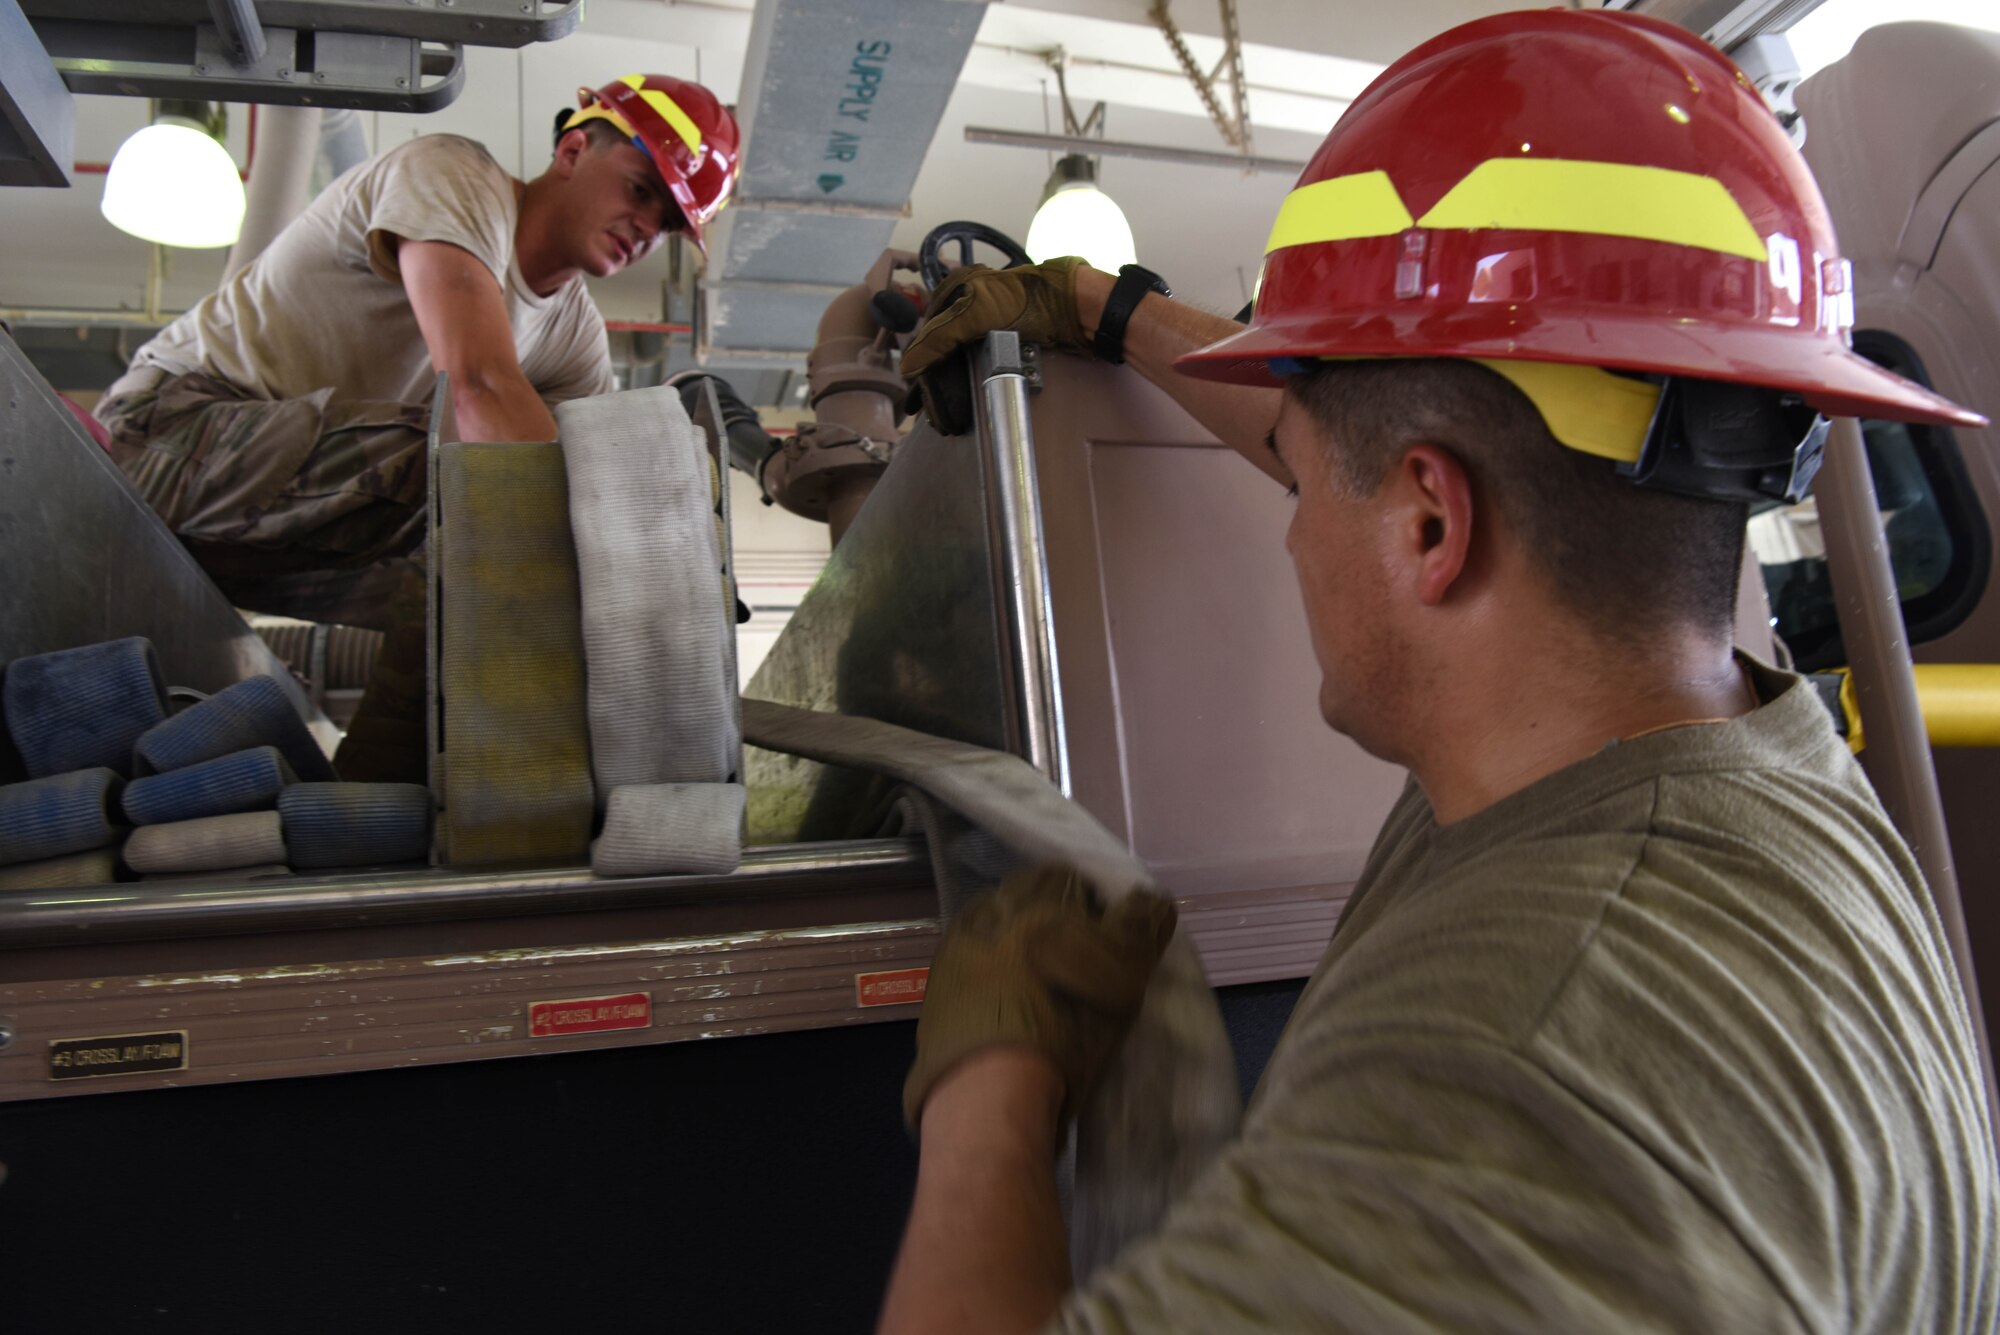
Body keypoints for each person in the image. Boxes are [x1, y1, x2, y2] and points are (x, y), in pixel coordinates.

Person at [880, 10, 2000, 1333]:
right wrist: (1100, 306)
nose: (1293, 518)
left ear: (1431, 525)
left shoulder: (1524, 1069)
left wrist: (994, 1087)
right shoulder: (1758, 769)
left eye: (1312, 487)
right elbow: (1355, 448)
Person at [92, 73, 740, 777]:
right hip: (158, 445)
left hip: (259, 520)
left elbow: (595, 480)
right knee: (470, 478)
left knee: (490, 577)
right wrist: (649, 568)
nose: (649, 227)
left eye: (671, 223)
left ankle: (374, 809)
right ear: (574, 150)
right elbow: (479, 387)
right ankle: (380, 795)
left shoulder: (573, 334)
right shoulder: (454, 176)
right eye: (642, 190)